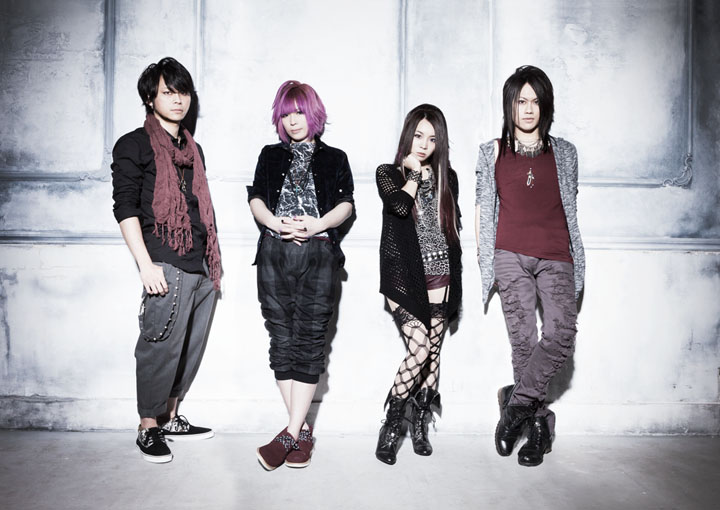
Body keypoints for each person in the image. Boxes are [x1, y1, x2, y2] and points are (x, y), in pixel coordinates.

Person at [111, 57, 222, 463]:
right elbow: (125, 207)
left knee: (188, 348)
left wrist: (210, 265)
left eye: (183, 92)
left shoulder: (193, 149)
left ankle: (170, 417)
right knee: (158, 347)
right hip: (164, 261)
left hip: (201, 264)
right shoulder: (134, 144)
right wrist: (145, 264)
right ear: (150, 98)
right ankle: (148, 425)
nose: (178, 100)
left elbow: (199, 208)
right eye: (168, 92)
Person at [475, 65, 585, 466]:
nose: (528, 109)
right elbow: (484, 209)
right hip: (509, 255)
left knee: (561, 335)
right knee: (523, 342)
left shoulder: (565, 152)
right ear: (510, 105)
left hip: (556, 254)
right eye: (521, 101)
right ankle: (539, 428)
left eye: (535, 101)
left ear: (546, 106)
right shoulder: (491, 151)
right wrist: (486, 258)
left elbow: (569, 205)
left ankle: (515, 406)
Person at [247, 80, 354, 470]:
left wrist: (317, 224)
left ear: (313, 114)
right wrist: (276, 223)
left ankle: (289, 434)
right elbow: (256, 198)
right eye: (286, 114)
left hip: (319, 252)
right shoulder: (270, 155)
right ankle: (302, 432)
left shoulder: (335, 158)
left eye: (299, 112)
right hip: (273, 252)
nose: (292, 120)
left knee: (310, 340)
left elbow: (346, 204)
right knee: (281, 339)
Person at [374, 104, 462, 465]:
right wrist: (413, 175)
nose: (424, 144)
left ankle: (421, 423)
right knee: (420, 349)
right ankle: (392, 424)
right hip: (404, 275)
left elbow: (449, 230)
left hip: (440, 273)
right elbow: (398, 207)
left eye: (432, 138)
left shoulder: (448, 177)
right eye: (418, 136)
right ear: (408, 136)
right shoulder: (388, 173)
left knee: (434, 354)